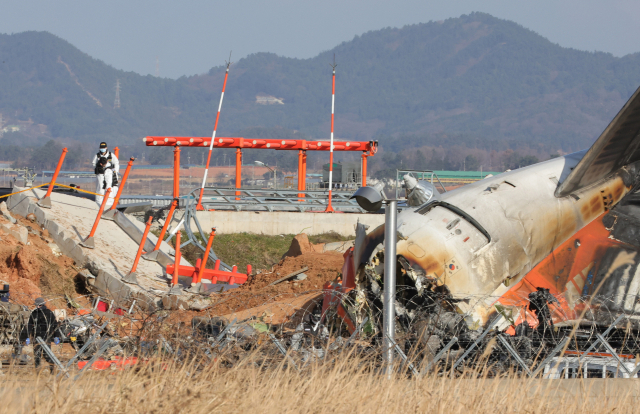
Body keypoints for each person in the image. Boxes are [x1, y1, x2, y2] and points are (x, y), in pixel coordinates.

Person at [24, 297, 59, 371]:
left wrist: (56, 336)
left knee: (47, 355)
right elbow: (29, 325)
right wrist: (27, 337)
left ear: (43, 305)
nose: (37, 307)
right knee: (37, 356)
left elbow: (55, 325)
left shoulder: (49, 313)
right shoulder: (34, 313)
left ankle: (52, 370)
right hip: (36, 337)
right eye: (36, 305)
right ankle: (37, 373)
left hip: (46, 337)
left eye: (39, 305)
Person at [91, 142, 120, 206]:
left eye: (104, 148)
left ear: (106, 148)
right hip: (100, 173)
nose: (102, 149)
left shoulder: (111, 155)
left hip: (110, 173)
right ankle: (99, 203)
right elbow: (94, 164)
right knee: (100, 188)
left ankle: (109, 204)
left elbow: (116, 163)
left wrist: (115, 171)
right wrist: (98, 167)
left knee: (110, 188)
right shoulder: (97, 156)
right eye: (101, 148)